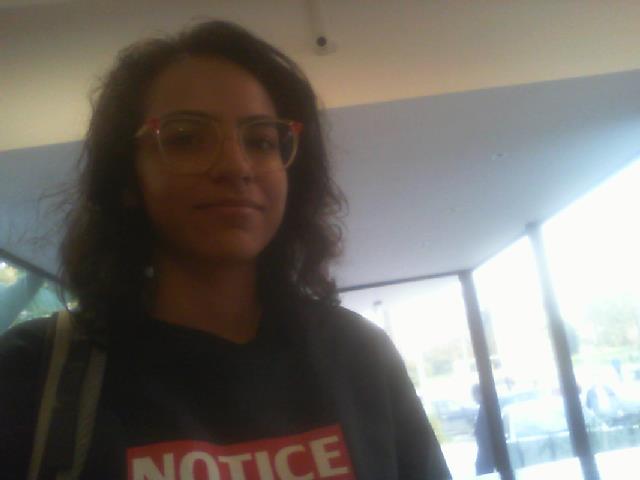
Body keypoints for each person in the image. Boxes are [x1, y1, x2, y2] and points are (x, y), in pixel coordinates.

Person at [0, 21, 450, 479]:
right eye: (185, 138)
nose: (236, 166)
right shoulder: (32, 374)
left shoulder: (359, 355)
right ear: (127, 180)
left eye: (261, 140)